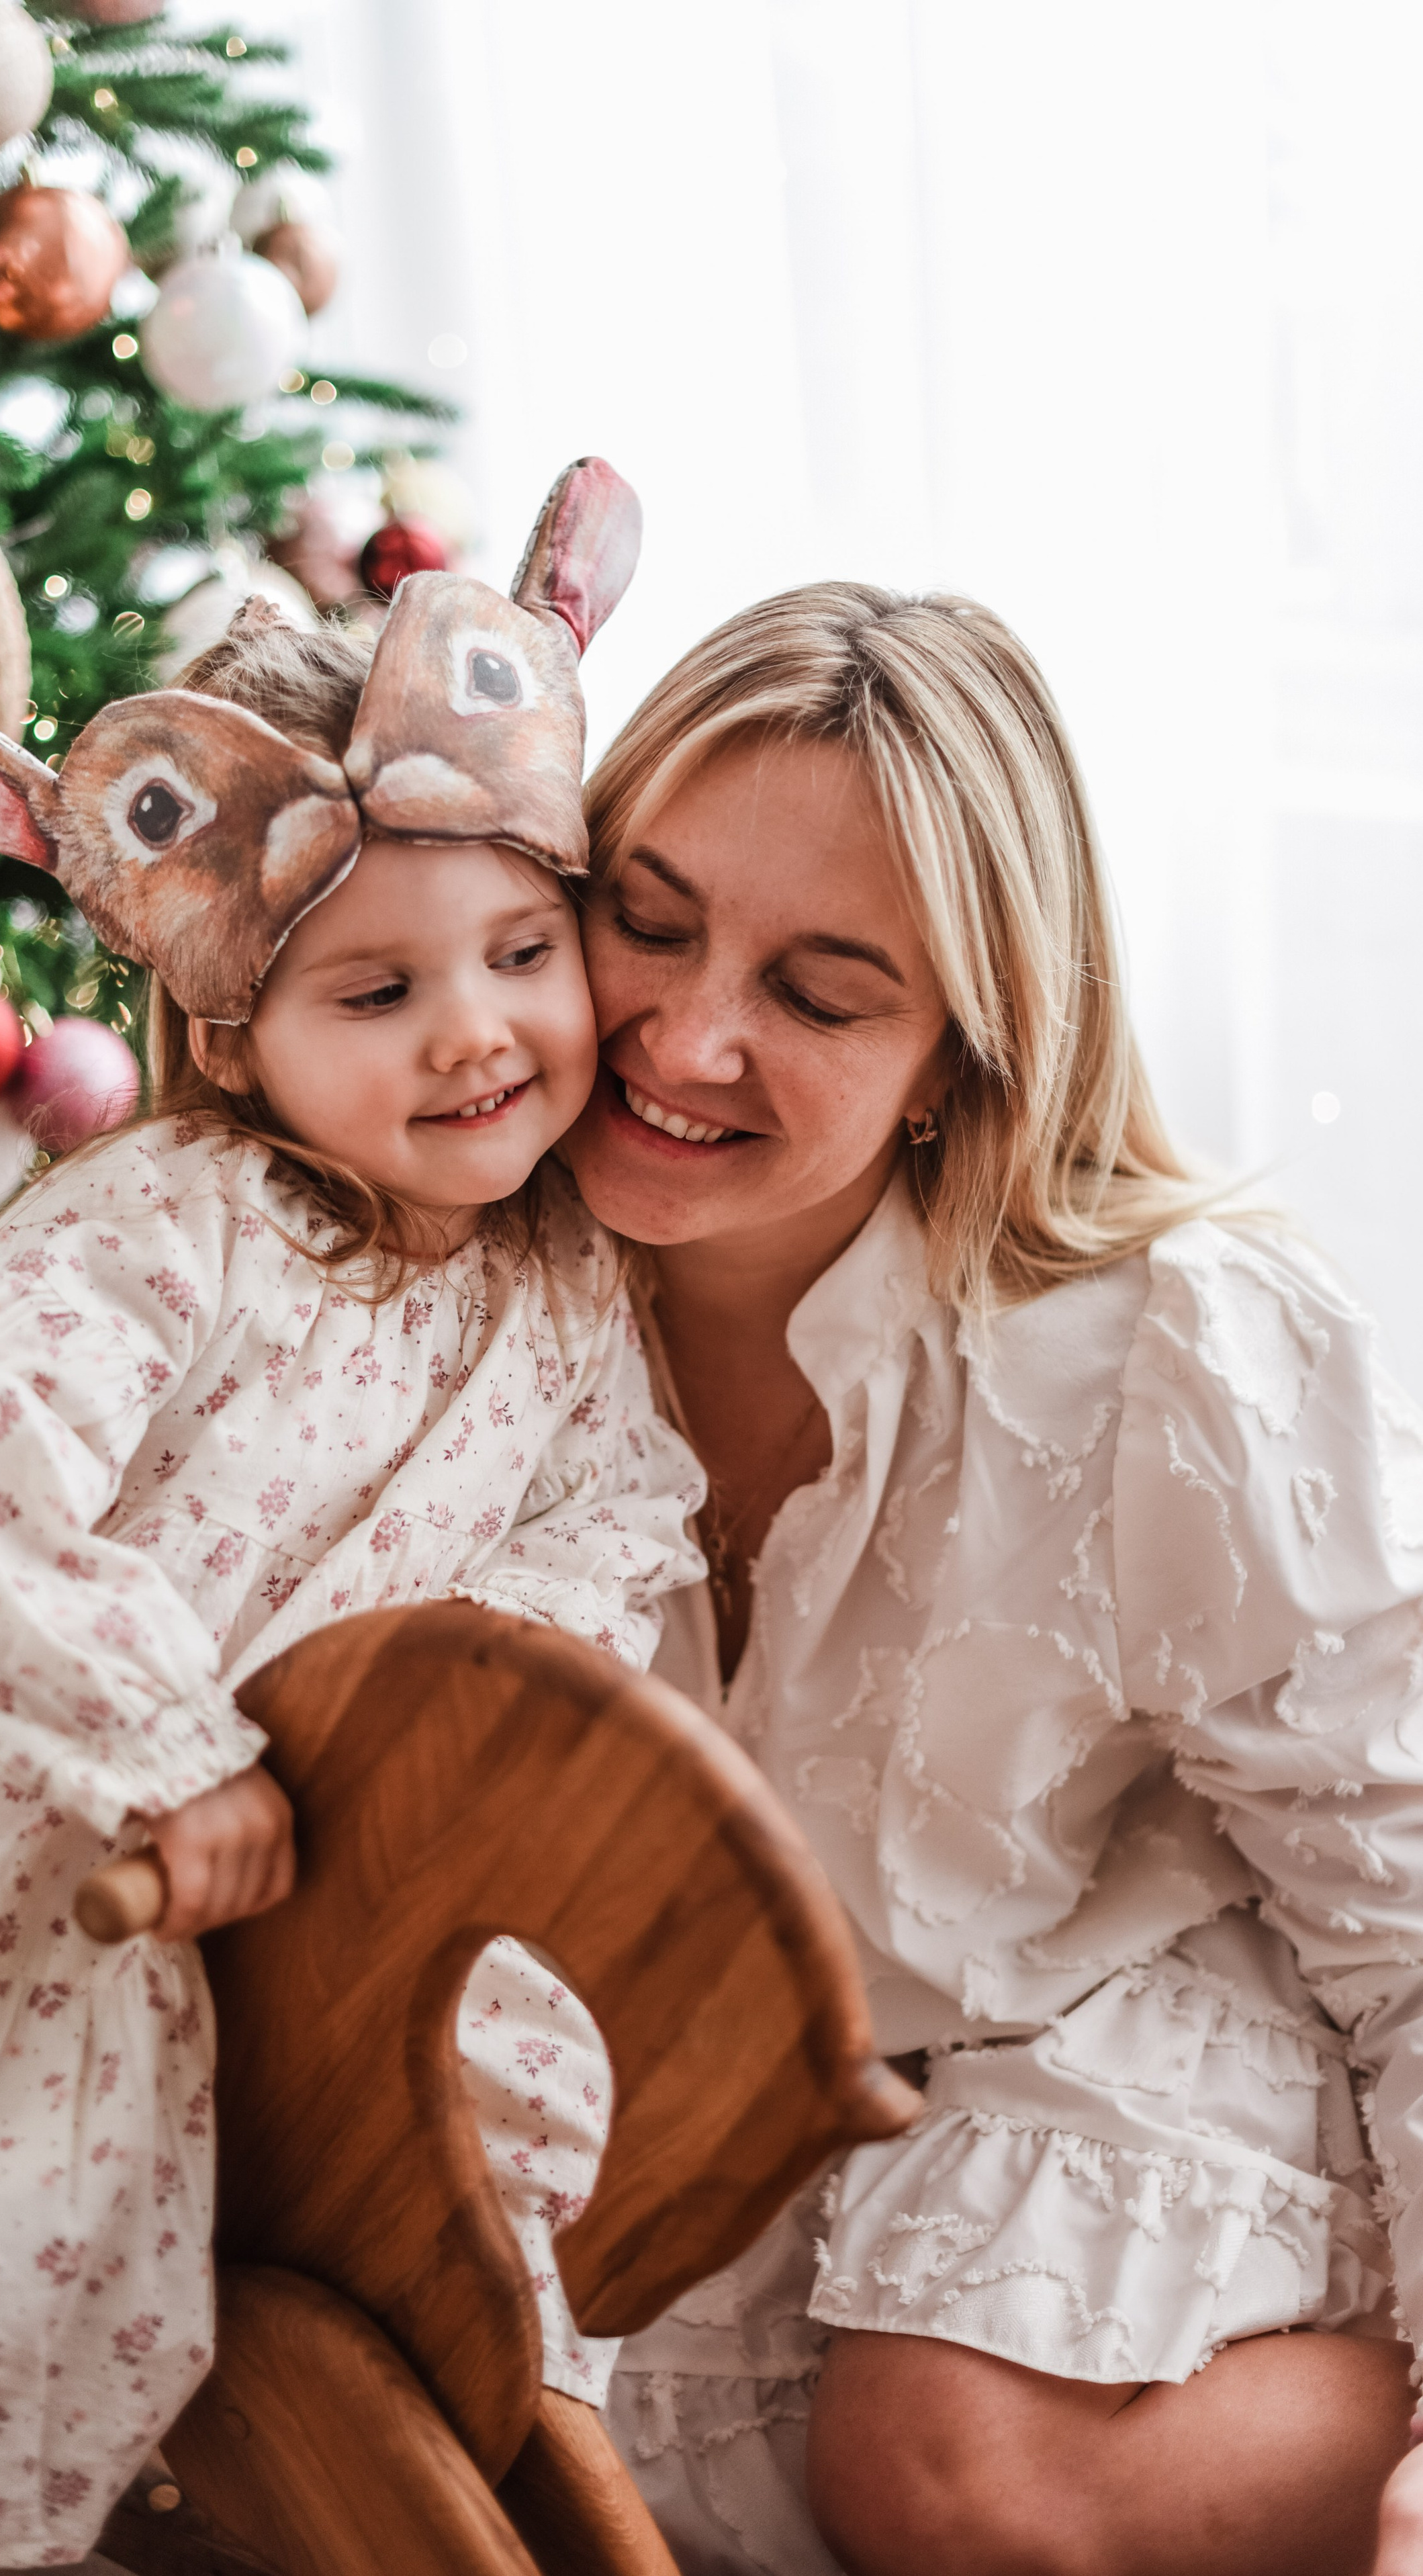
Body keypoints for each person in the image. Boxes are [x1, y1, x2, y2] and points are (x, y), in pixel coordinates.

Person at [0, 465, 702, 2574]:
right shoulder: (176, 1224)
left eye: (524, 951)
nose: (479, 1034)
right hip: (39, 1831)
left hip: (335, 1849)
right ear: (239, 1042)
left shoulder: (566, 1278)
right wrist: (159, 1734)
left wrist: (441, 1736)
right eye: (378, 996)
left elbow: (611, 1530)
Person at [560, 582, 1423, 2576]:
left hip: (1112, 2031)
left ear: (961, 1050)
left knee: (945, 2468)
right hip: (733, 2108)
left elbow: (1410, 1909)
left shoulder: (1170, 1348)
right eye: (651, 916)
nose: (686, 1036)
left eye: (822, 987)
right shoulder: (430, 1276)